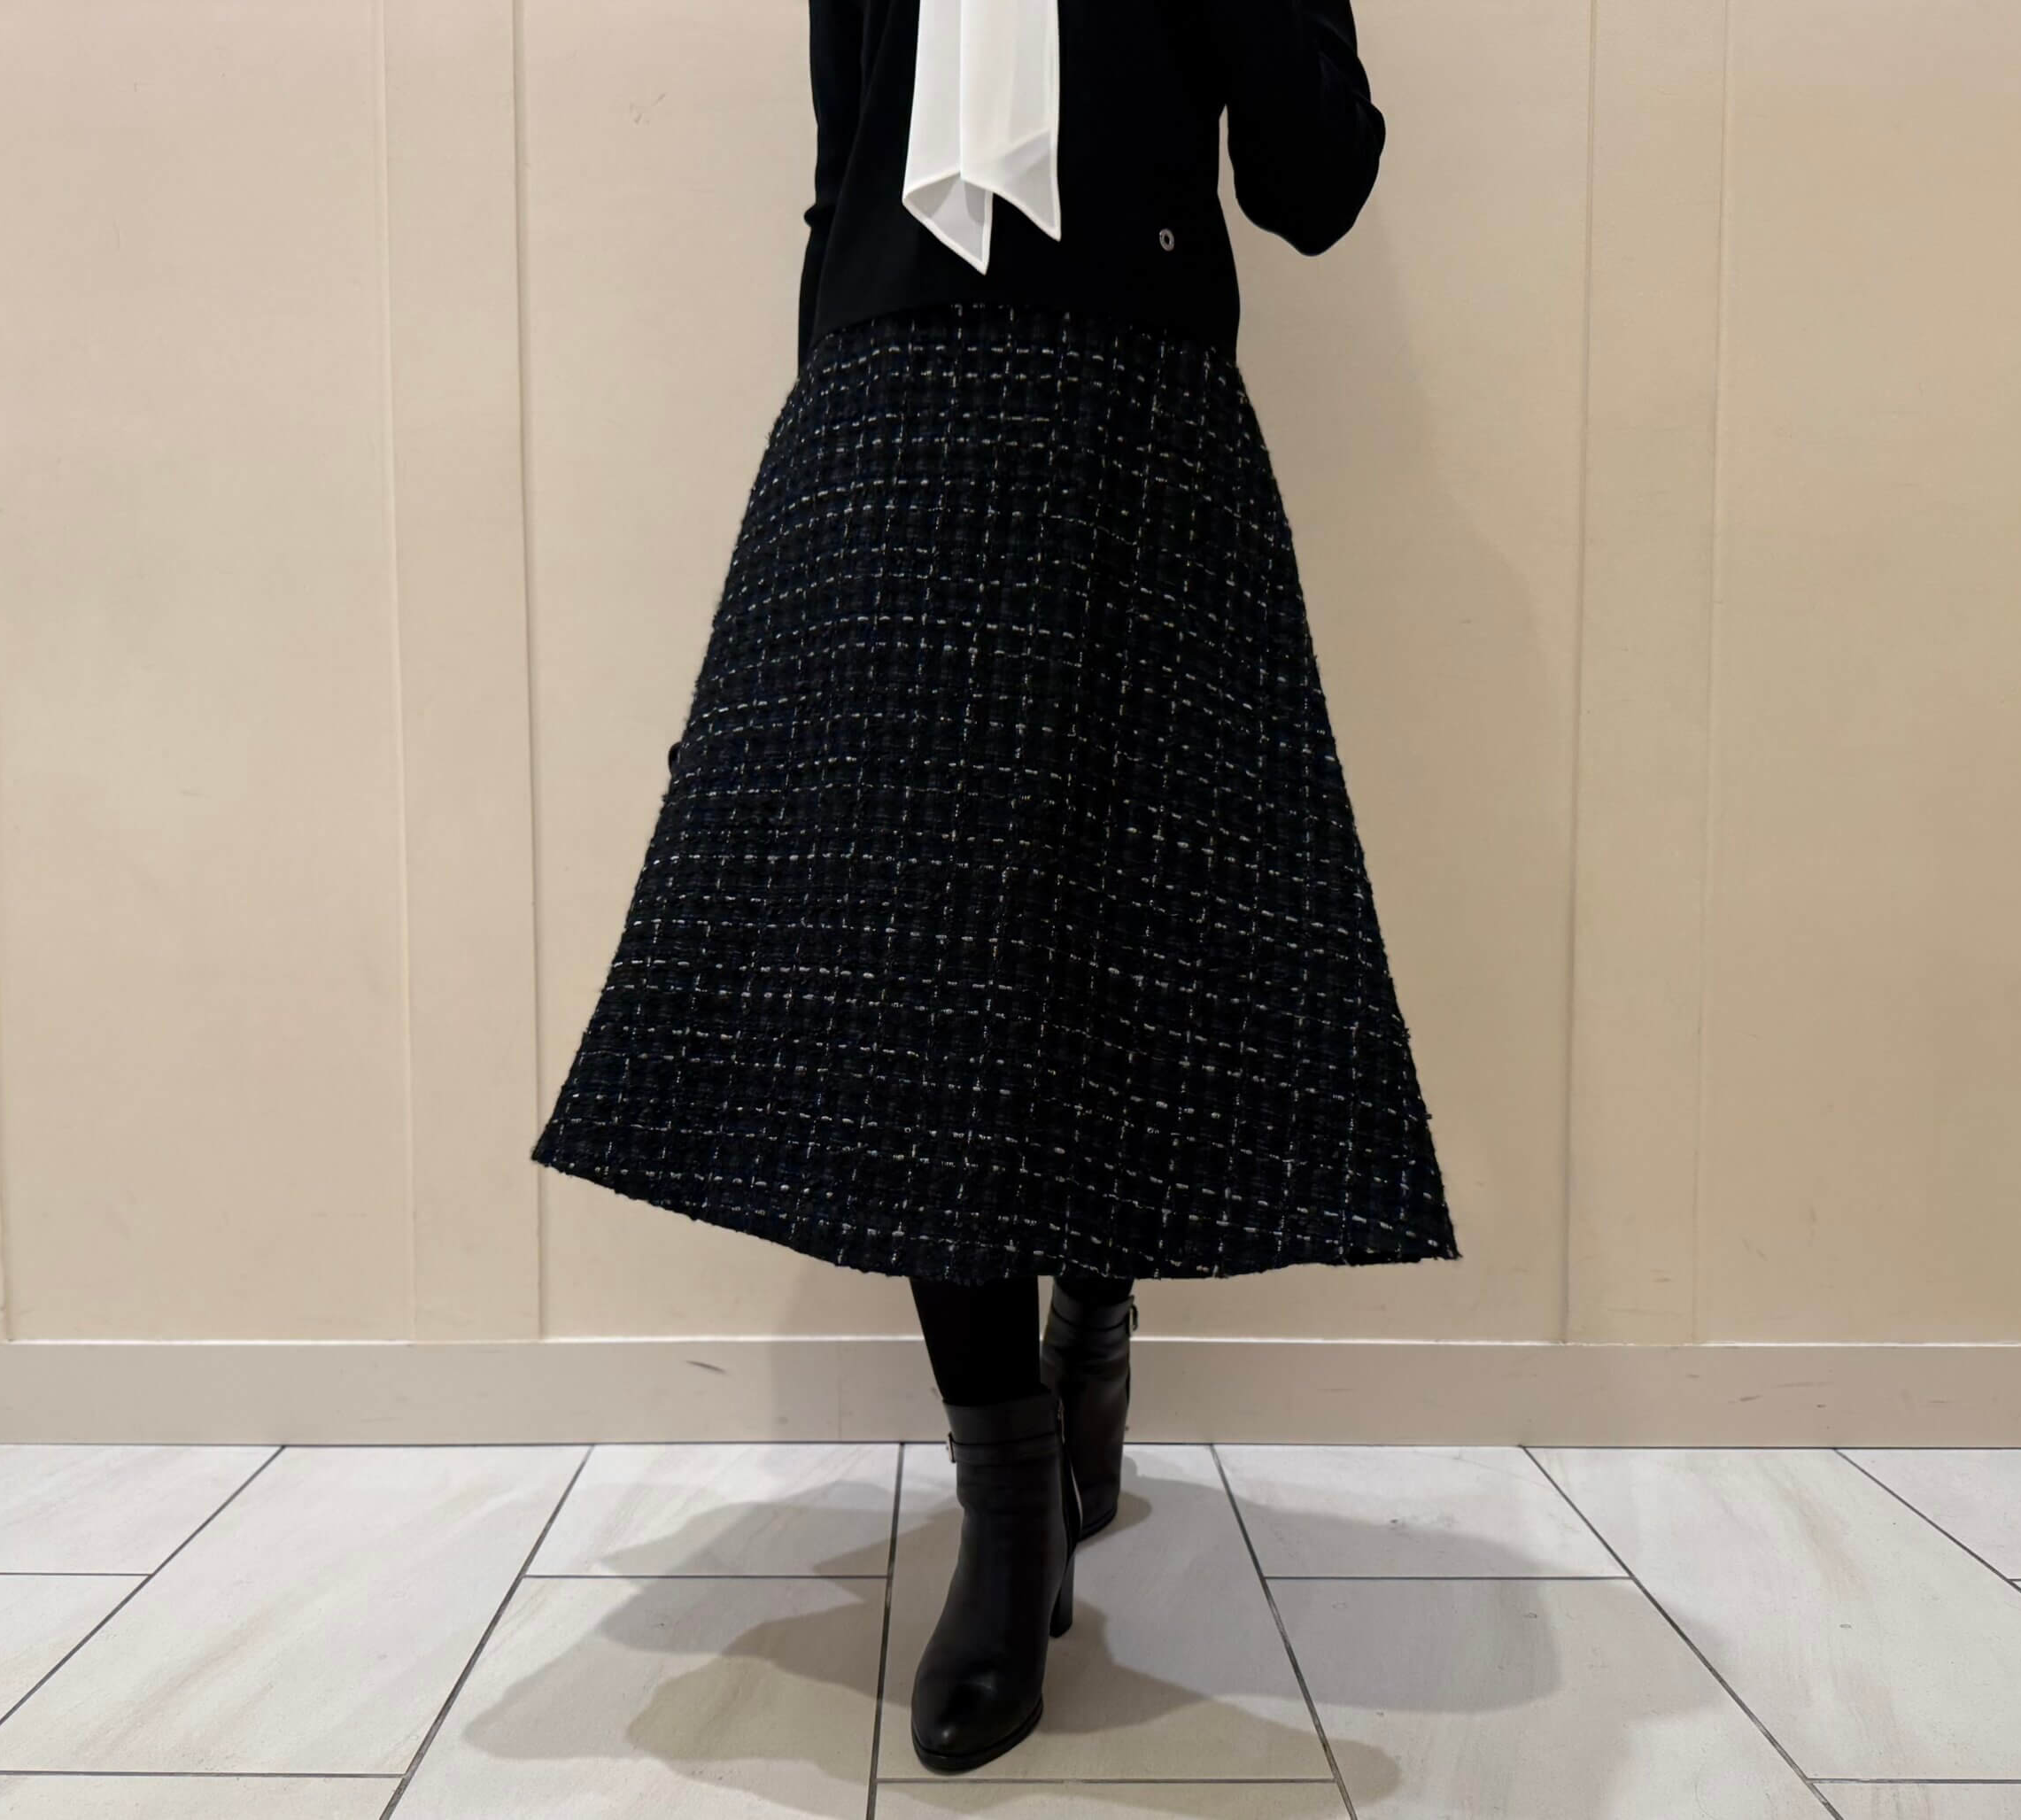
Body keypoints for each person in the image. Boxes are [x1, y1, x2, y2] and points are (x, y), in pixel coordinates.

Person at [531, 0, 1460, 1776]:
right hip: (888, 414)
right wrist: (825, 417)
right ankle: (1010, 1485)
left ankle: (1092, 1315)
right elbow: (845, 166)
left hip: (1135, 413)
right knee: (910, 986)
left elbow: (1315, 183)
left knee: (1125, 934)